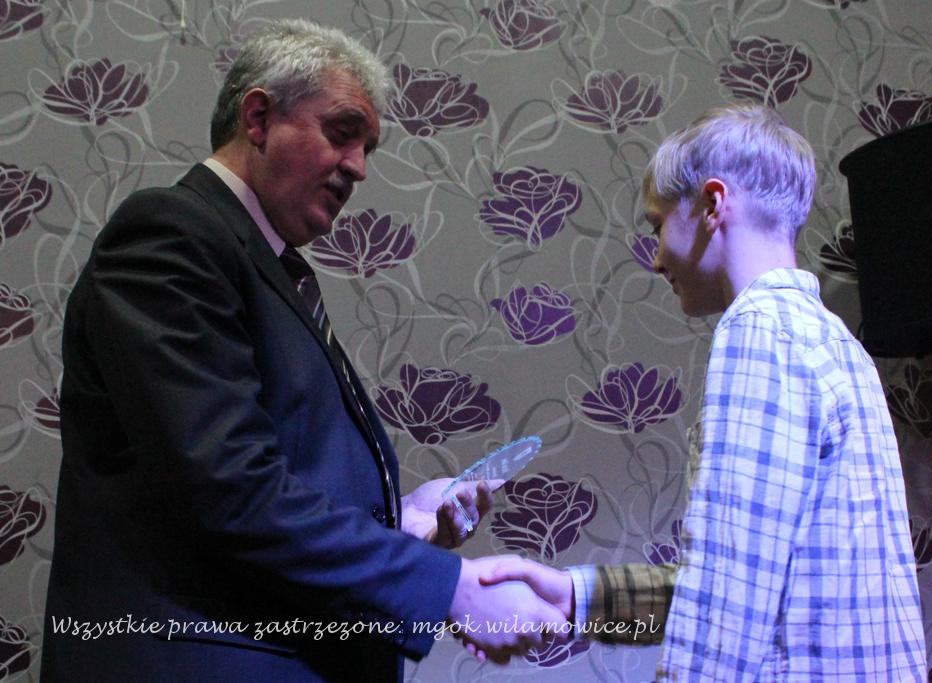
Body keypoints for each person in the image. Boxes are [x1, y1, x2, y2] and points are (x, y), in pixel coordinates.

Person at [42, 18, 562, 683]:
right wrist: (449, 587)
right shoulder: (171, 235)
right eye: (342, 132)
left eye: (367, 147)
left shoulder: (267, 265)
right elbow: (230, 487)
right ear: (258, 118)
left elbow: (262, 473)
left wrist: (399, 520)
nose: (359, 167)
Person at [475, 104, 928, 681]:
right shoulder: (837, 343)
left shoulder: (758, 331)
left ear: (713, 205)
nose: (656, 257)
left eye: (658, 224)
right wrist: (574, 597)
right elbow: (741, 582)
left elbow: (727, 605)